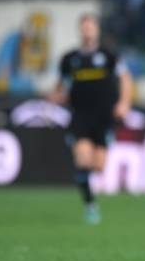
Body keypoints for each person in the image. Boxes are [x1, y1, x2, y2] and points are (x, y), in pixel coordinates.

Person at [50, 14, 132, 223]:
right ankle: (90, 205)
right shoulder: (70, 59)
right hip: (80, 115)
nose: (87, 31)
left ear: (96, 30)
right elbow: (60, 86)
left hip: (104, 117)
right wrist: (56, 96)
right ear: (80, 30)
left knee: (98, 166)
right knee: (83, 159)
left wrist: (124, 103)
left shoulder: (109, 56)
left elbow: (125, 79)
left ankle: (88, 193)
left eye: (91, 27)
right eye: (84, 27)